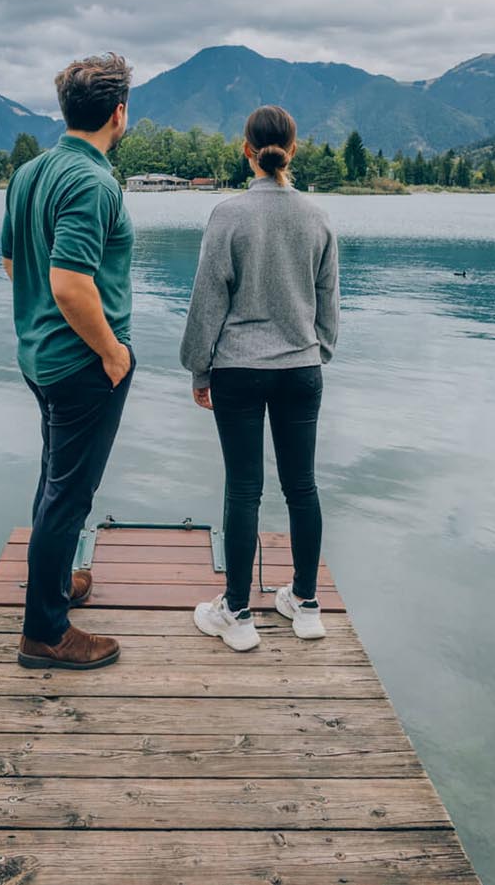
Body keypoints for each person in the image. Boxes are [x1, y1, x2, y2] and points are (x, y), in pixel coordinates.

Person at [180, 104, 339, 652]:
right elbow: (329, 305)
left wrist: (199, 367)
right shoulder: (316, 216)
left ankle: (239, 614)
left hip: (239, 370)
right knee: (303, 486)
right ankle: (307, 604)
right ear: (292, 150)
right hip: (301, 368)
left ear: (245, 150)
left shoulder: (228, 214)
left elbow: (207, 300)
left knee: (243, 488)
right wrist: (317, 353)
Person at [1, 53, 136, 670]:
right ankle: (46, 634)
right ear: (118, 113)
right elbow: (69, 284)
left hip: (38, 357)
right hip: (82, 364)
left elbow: (12, 264)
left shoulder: (30, 172)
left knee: (53, 481)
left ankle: (54, 589)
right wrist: (113, 354)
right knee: (69, 495)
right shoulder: (94, 182)